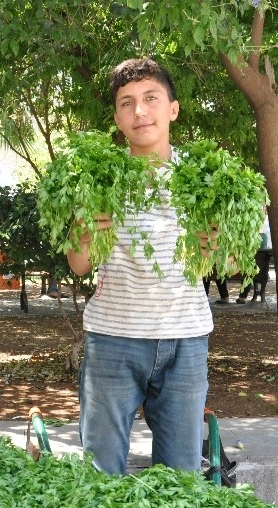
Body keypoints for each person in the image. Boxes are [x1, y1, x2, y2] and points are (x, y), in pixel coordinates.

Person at [66, 58, 211, 475]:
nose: (140, 111)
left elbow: (225, 260)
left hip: (185, 339)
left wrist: (219, 248)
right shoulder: (98, 178)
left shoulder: (201, 178)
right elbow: (79, 265)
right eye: (127, 103)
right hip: (113, 339)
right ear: (116, 117)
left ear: (173, 109)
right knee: (101, 473)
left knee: (181, 479)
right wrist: (85, 231)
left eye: (151, 99)